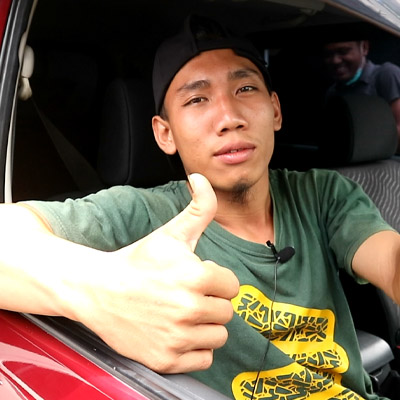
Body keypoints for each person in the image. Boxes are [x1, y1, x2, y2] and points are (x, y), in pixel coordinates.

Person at [1, 15, 400, 400]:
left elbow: (389, 259)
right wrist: (102, 292)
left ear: (275, 110)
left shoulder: (323, 194)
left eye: (245, 89)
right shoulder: (143, 215)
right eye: (196, 98)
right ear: (165, 134)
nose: (229, 117)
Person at [323, 40, 400, 153]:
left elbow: (398, 126)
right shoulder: (333, 92)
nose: (335, 60)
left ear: (364, 48)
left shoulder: (386, 75)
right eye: (328, 54)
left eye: (343, 51)